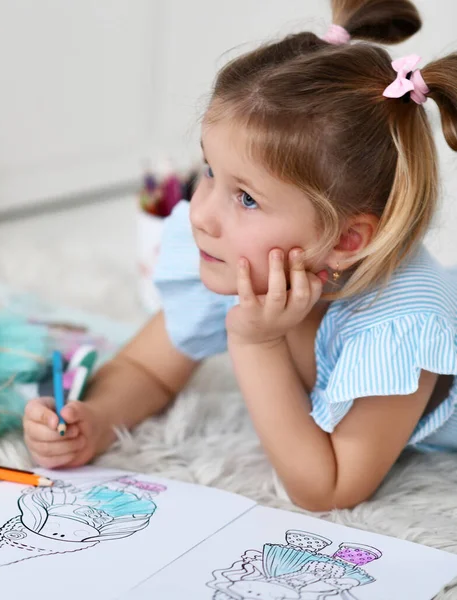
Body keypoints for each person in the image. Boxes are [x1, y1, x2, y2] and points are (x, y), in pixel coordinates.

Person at [23, 0, 457, 511]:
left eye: (246, 197)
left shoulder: (402, 326)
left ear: (346, 241)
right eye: (209, 171)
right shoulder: (242, 260)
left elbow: (329, 487)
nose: (201, 214)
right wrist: (92, 421)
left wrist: (257, 344)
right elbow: (149, 368)